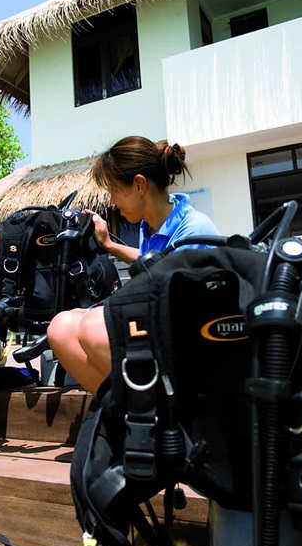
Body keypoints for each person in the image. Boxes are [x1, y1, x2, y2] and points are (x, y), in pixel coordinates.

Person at [47, 136, 220, 392]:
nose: (113, 203)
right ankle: (123, 412)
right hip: (160, 330)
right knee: (60, 327)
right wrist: (109, 244)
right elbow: (152, 263)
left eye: (115, 191)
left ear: (139, 185)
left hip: (190, 349)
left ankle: (160, 412)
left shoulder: (194, 230)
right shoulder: (150, 226)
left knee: (94, 325)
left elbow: (176, 309)